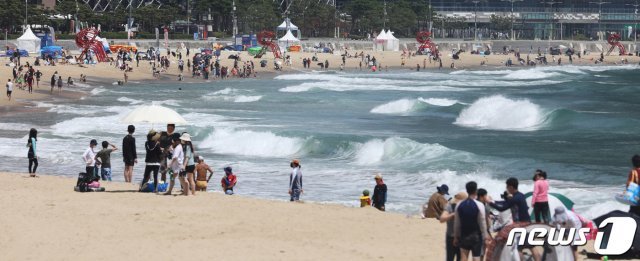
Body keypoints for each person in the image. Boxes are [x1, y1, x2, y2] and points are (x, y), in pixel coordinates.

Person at [453, 181, 490, 261]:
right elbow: (482, 222)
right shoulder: (479, 205)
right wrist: (486, 237)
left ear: (467, 190)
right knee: (476, 258)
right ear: (476, 191)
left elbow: (457, 223)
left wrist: (456, 236)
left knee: (463, 258)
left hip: (464, 235)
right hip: (476, 236)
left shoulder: (459, 204)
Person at [440, 192, 468, 261]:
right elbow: (442, 219)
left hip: (462, 237)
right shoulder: (449, 206)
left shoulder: (467, 207)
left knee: (460, 258)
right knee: (450, 258)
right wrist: (452, 215)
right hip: (450, 236)